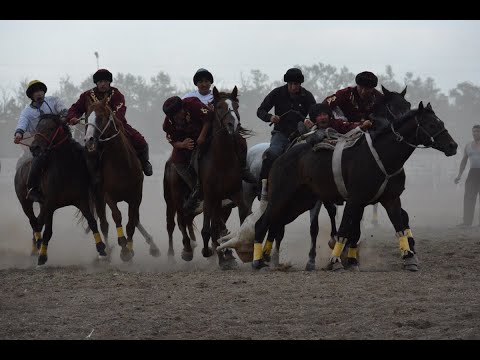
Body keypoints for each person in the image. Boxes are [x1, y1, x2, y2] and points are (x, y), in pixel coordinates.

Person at [66, 69, 153, 180]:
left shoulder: (116, 95)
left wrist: (109, 122)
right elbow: (75, 108)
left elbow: (120, 112)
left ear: (109, 82)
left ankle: (144, 163)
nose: (103, 84)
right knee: (85, 152)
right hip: (93, 129)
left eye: (105, 81)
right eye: (100, 81)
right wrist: (72, 117)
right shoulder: (87, 96)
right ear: (96, 83)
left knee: (140, 141)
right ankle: (90, 178)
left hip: (116, 126)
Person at [182, 68, 255, 183]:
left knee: (241, 140)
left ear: (211, 83)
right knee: (191, 152)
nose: (204, 84)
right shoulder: (188, 97)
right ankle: (195, 181)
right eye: (200, 82)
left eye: (207, 81)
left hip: (216, 129)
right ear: (196, 84)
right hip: (196, 131)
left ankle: (242, 168)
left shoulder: (217, 97)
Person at [256, 68, 316, 190]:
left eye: (296, 84)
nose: (294, 87)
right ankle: (263, 187)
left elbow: (316, 113)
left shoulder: (307, 96)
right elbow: (260, 111)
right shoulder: (277, 93)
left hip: (302, 135)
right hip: (281, 134)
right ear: (287, 83)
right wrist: (270, 117)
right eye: (291, 84)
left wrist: (310, 120)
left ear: (300, 84)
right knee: (271, 154)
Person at [13, 80, 68, 202]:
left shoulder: (54, 100)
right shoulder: (27, 112)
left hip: (59, 139)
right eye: (35, 92)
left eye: (40, 91)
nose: (38, 94)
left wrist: (65, 115)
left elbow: (63, 110)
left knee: (78, 151)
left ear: (44, 92)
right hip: (41, 144)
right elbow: (21, 124)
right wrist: (18, 134)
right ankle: (33, 189)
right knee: (39, 159)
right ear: (31, 96)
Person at [163, 96, 212, 214]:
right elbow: (172, 141)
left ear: (183, 107)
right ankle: (197, 192)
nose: (179, 116)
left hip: (205, 138)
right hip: (186, 147)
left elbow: (209, 118)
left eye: (179, 112)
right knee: (177, 161)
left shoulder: (193, 104)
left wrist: (202, 136)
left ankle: (242, 169)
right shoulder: (167, 124)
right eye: (175, 116)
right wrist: (183, 145)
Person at [454, 125, 480, 227]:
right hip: (472, 174)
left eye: (477, 132)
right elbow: (464, 161)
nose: (475, 133)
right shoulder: (468, 146)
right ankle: (467, 222)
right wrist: (459, 175)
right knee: (469, 197)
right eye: (474, 132)